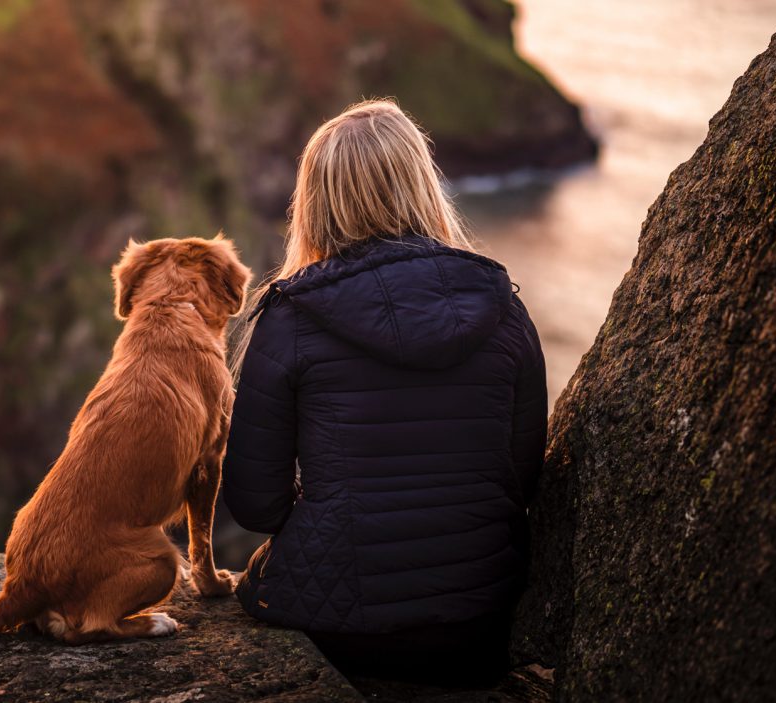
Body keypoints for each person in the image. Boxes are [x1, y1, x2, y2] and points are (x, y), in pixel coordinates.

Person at [222, 99, 547, 687]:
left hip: (344, 633)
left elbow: (254, 505)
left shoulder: (291, 318)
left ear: (315, 202)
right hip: (479, 622)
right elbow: (518, 481)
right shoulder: (504, 308)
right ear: (423, 185)